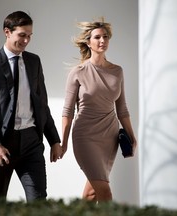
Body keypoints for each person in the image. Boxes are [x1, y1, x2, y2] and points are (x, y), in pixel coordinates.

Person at [0, 11, 63, 201]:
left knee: (38, 203)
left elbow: (42, 105)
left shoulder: (34, 61)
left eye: (29, 35)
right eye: (22, 35)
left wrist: (54, 140)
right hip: (0, 143)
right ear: (7, 32)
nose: (26, 40)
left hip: (31, 141)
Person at [61, 18, 137, 202]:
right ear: (88, 42)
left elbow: (122, 109)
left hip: (109, 137)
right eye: (97, 37)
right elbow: (68, 111)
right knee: (105, 192)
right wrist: (62, 143)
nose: (102, 41)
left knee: (92, 193)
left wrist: (131, 136)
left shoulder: (117, 71)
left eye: (105, 37)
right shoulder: (78, 72)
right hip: (85, 135)